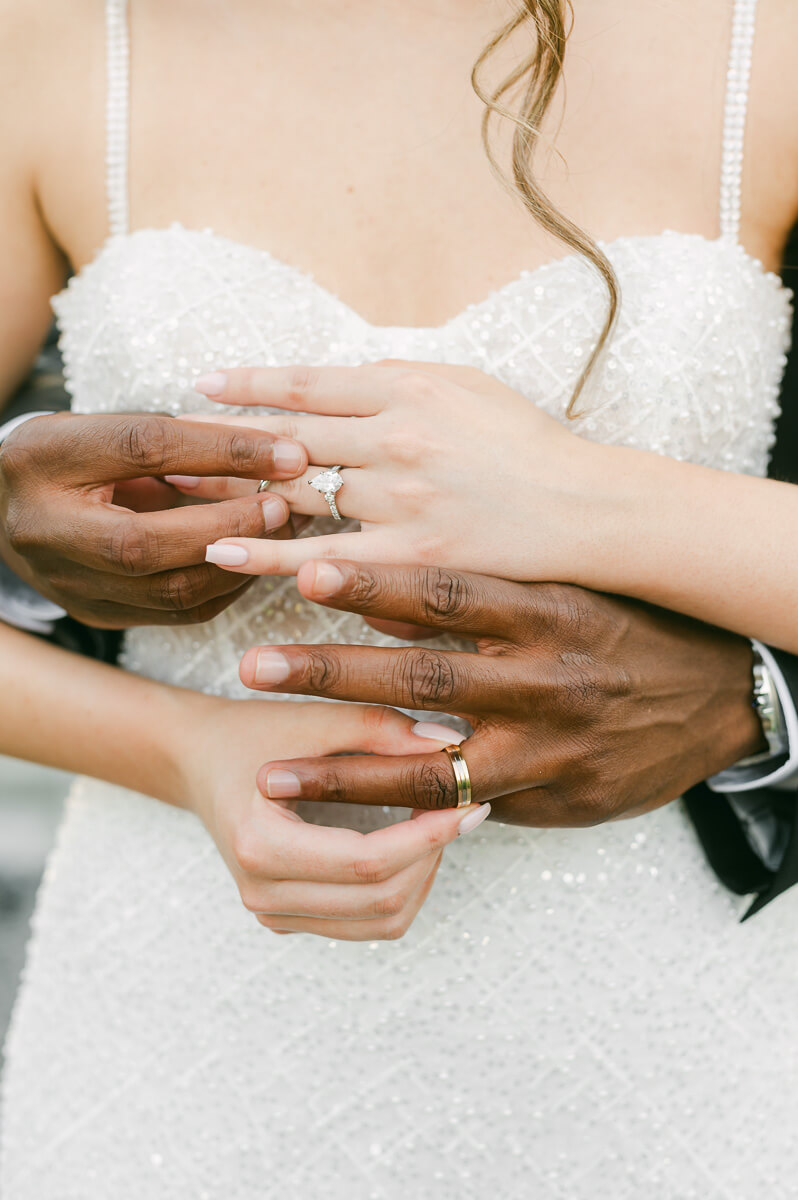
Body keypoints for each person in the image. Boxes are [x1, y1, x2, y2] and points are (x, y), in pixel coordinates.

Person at [1, 0, 797, 1196]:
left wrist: (582, 499)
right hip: (181, 1002)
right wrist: (187, 748)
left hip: (666, 1011)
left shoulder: (763, 39)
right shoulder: (59, 37)